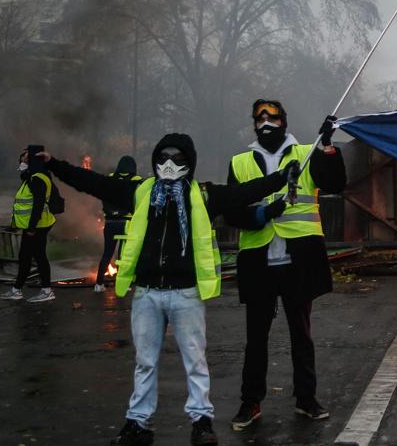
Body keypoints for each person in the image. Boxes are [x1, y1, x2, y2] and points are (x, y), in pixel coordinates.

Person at [39, 133, 297, 446]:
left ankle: (201, 422)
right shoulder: (142, 191)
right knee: (145, 363)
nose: (170, 164)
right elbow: (93, 182)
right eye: (164, 157)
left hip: (186, 293)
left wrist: (281, 177)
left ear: (189, 161)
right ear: (155, 159)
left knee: (195, 362)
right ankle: (138, 423)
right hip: (147, 293)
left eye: (178, 158)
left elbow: (243, 192)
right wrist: (55, 165)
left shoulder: (203, 194)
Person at [227, 99, 345, 431]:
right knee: (256, 338)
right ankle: (250, 403)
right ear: (253, 124)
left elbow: (335, 184)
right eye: (259, 117)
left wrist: (327, 147)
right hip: (258, 259)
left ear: (283, 120)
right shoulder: (239, 162)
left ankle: (306, 399)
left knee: (301, 334)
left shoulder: (307, 153)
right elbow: (232, 211)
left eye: (272, 116)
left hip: (298, 259)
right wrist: (263, 213)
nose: (265, 121)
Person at [0, 146, 58, 303]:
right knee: (27, 256)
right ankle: (18, 289)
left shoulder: (37, 178)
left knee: (36, 256)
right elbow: (25, 182)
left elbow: (38, 204)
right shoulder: (34, 176)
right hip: (36, 225)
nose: (22, 161)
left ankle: (45, 290)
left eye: (26, 159)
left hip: (38, 226)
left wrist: (32, 227)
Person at [96, 155, 141, 293]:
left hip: (109, 223)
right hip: (126, 222)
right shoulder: (136, 180)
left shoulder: (109, 178)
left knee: (107, 253)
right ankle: (123, 284)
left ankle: (98, 285)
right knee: (123, 255)